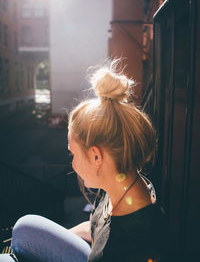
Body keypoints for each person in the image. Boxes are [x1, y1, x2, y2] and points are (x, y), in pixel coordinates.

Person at [0, 60, 169, 262]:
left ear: (96, 156)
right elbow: (95, 226)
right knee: (24, 227)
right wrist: (51, 242)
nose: (72, 164)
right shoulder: (123, 187)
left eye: (73, 154)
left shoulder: (122, 249)